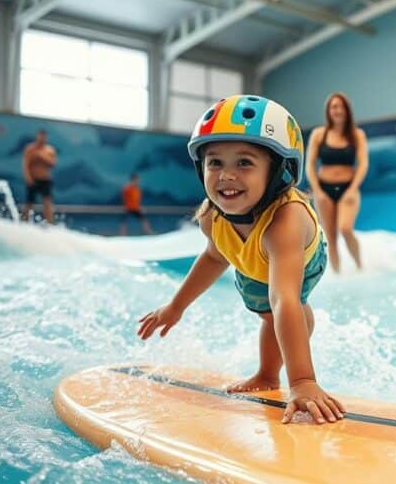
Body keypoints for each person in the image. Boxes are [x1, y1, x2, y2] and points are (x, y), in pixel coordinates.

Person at [137, 95, 343, 425]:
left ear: (278, 170)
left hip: (300, 256)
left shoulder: (285, 222)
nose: (227, 175)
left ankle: (283, 363)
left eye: (244, 163)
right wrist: (175, 306)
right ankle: (266, 374)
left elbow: (284, 298)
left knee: (285, 307)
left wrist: (303, 382)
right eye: (215, 163)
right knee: (267, 315)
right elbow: (213, 257)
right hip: (251, 261)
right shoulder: (211, 218)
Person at [305, 93, 368, 273]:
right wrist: (318, 191)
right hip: (324, 189)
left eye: (341, 106)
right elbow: (310, 164)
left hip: (349, 187)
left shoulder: (357, 135)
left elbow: (363, 163)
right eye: (334, 107)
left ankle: (360, 267)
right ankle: (338, 274)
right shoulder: (319, 134)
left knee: (345, 229)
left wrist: (352, 189)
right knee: (331, 237)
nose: (337, 110)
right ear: (328, 111)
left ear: (347, 110)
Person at [21, 129, 57, 224]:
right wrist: (28, 177)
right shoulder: (30, 148)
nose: (42, 138)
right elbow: (25, 165)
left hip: (45, 179)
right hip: (33, 179)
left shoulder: (49, 150)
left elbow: (53, 163)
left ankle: (50, 225)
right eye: (40, 136)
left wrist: (41, 156)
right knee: (28, 203)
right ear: (37, 136)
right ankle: (23, 223)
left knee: (47, 203)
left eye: (44, 136)